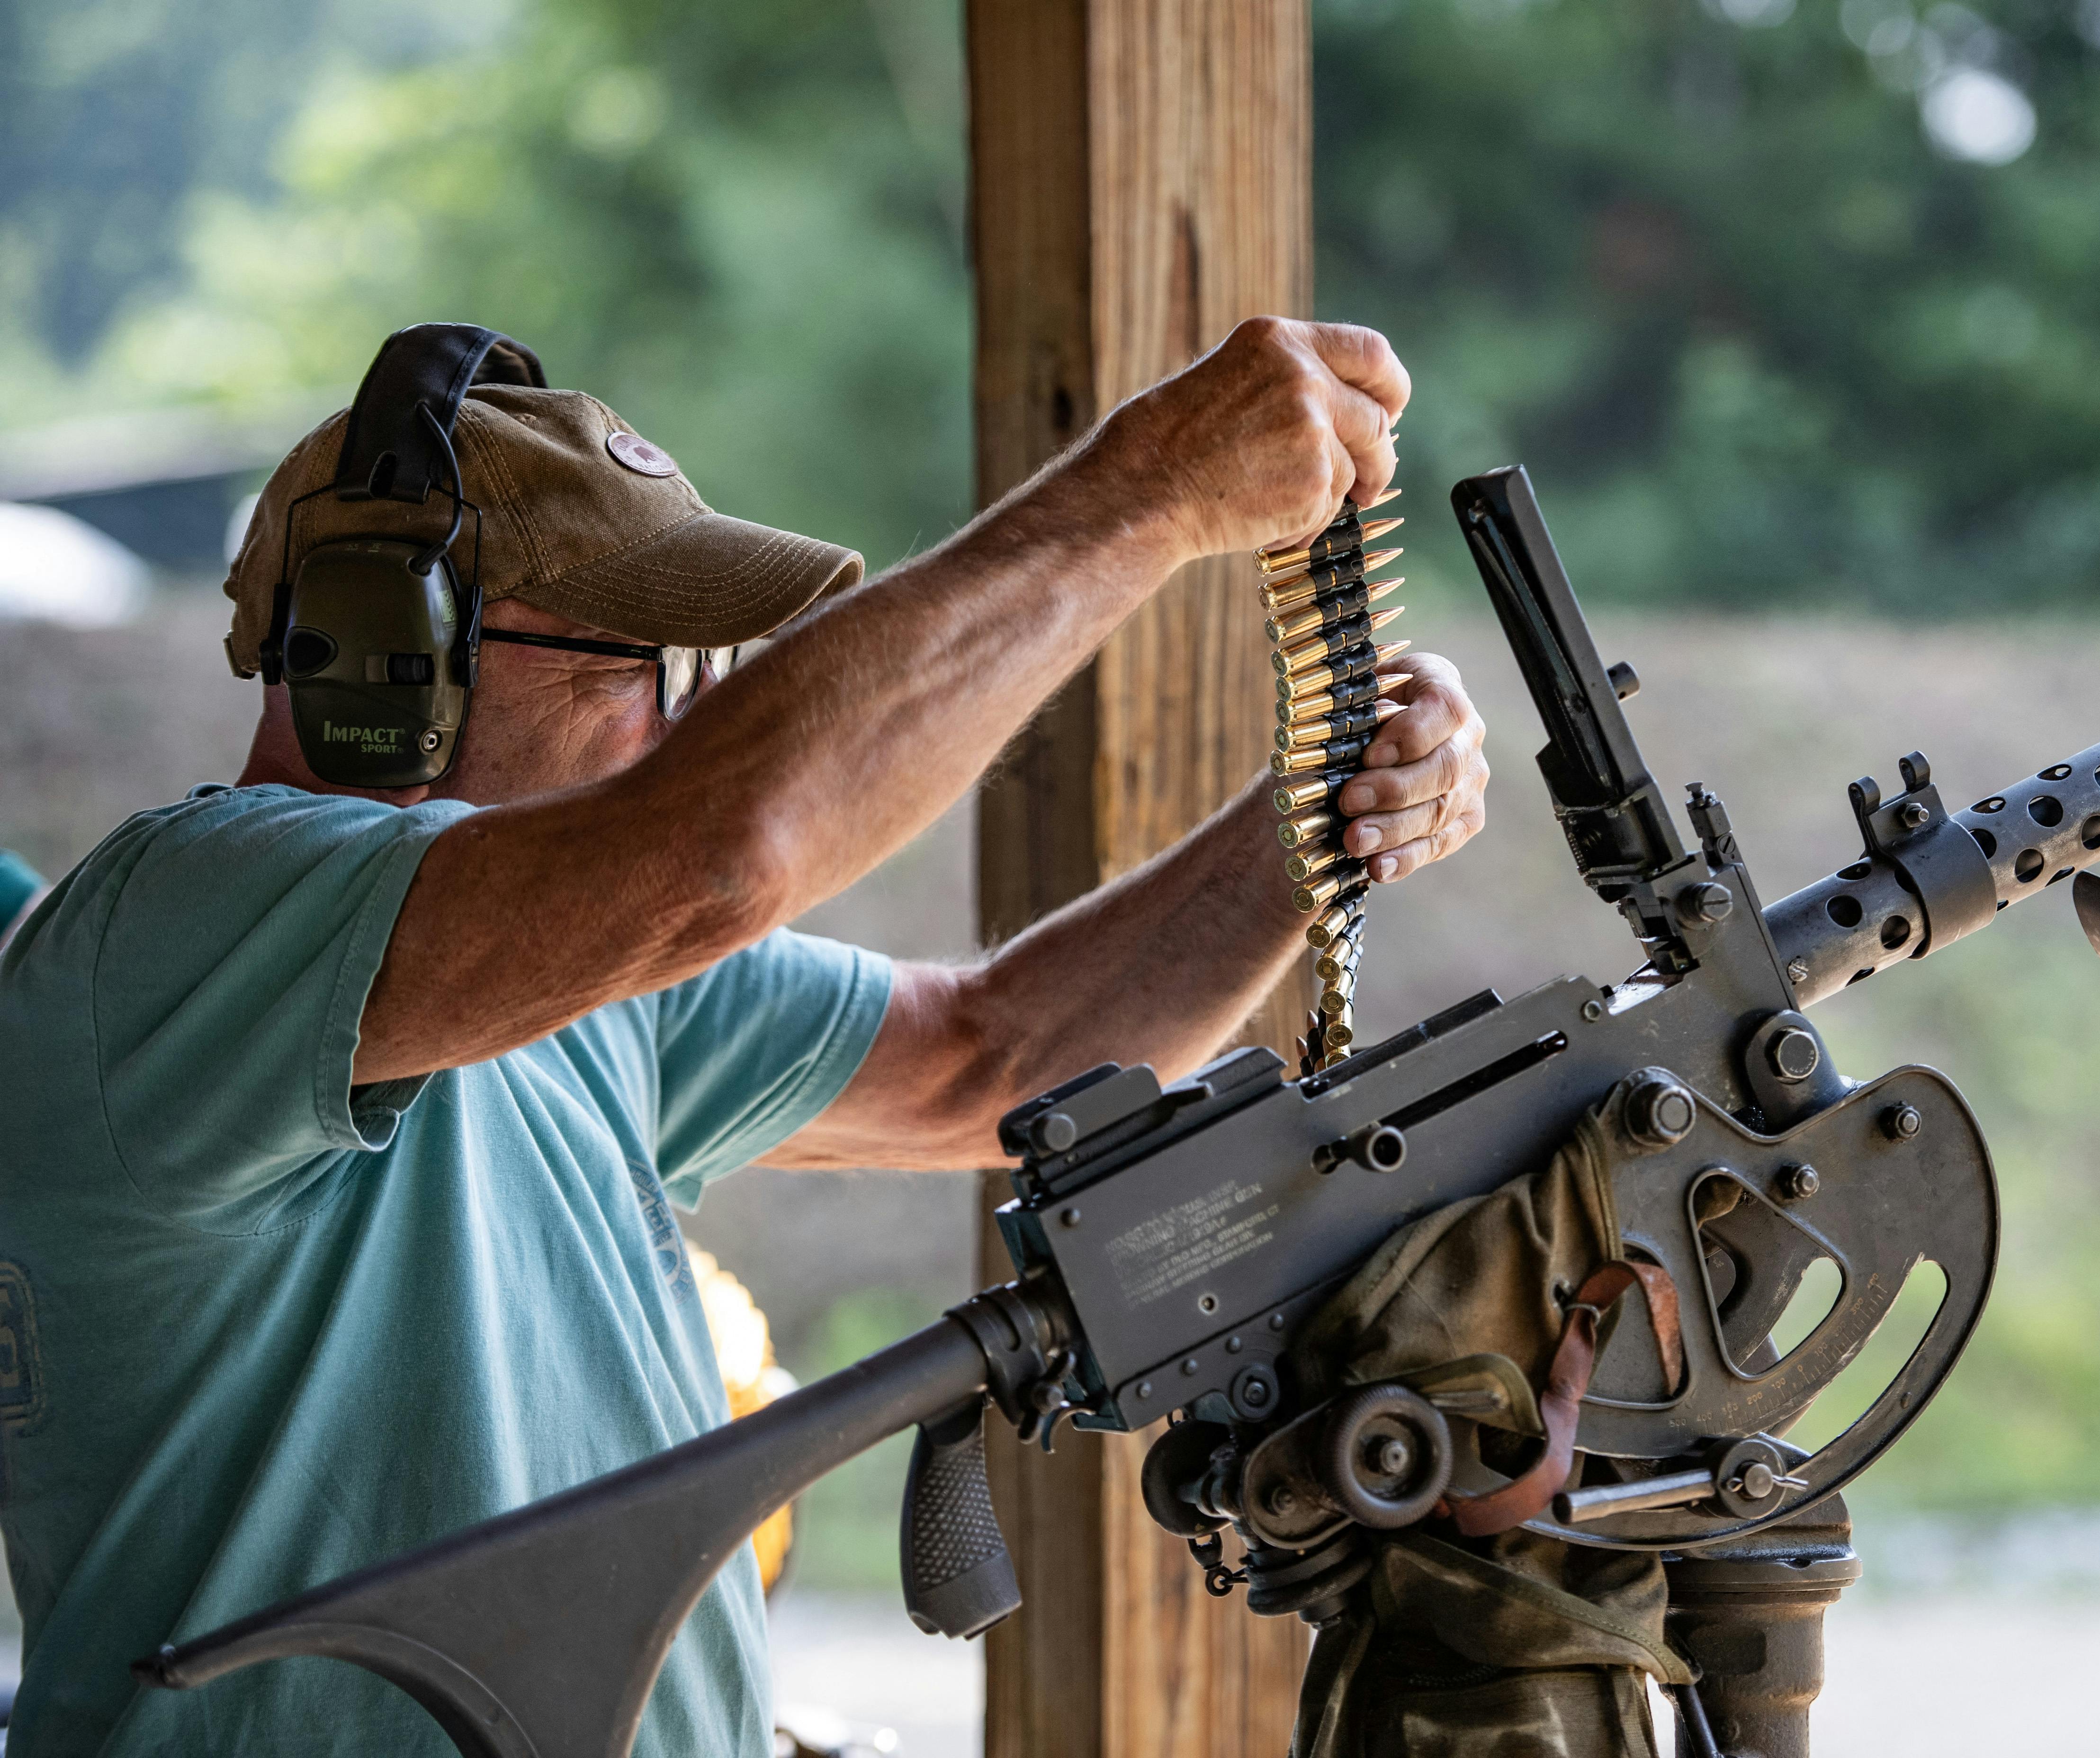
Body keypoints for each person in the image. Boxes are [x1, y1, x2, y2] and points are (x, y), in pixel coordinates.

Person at [0, 315, 1491, 1756]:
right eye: (643, 665)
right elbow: (719, 851)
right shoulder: (175, 924)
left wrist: (1311, 828)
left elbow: (996, 1061)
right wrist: (1152, 484)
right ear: (395, 657)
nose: (682, 722)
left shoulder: (573, 976)